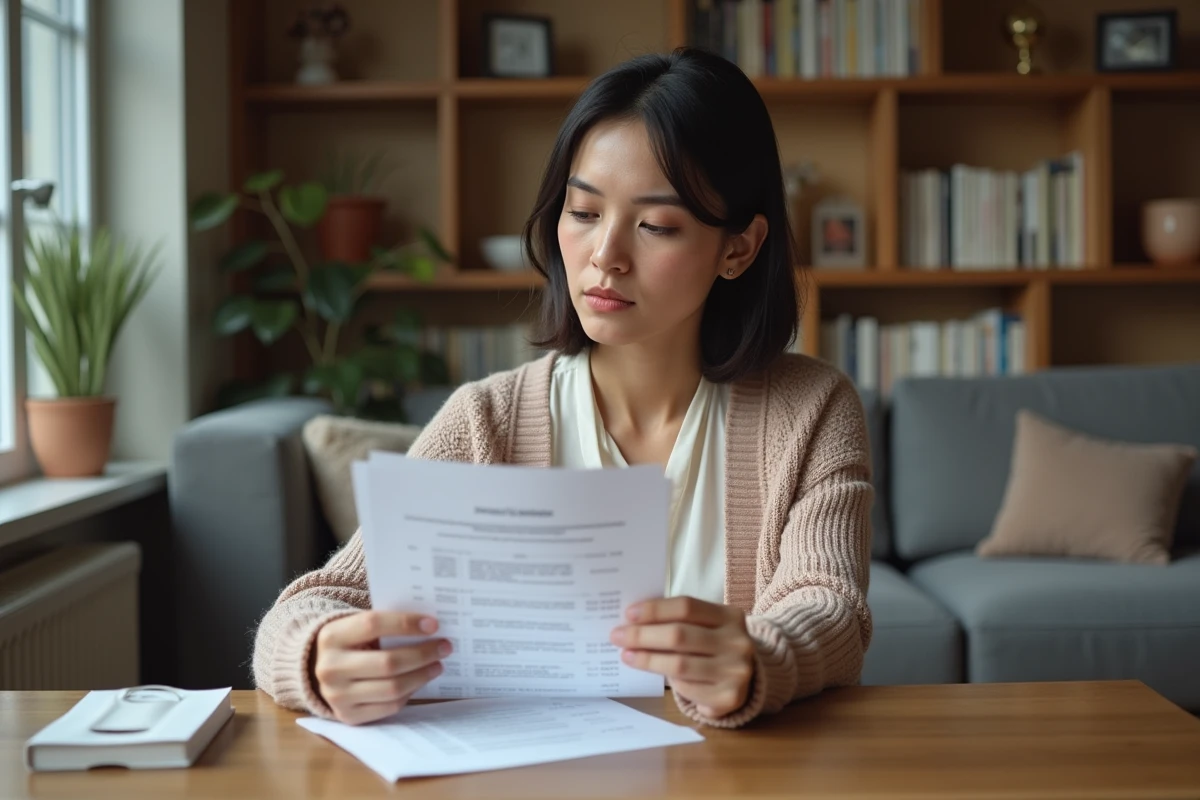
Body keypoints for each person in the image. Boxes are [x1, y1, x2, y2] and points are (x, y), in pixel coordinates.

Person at [253, 47, 873, 730]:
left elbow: (831, 603)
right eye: (582, 212)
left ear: (738, 249)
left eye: (655, 225)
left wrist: (759, 656)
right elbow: (317, 603)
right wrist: (316, 658)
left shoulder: (811, 410)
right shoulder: (486, 420)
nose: (606, 255)